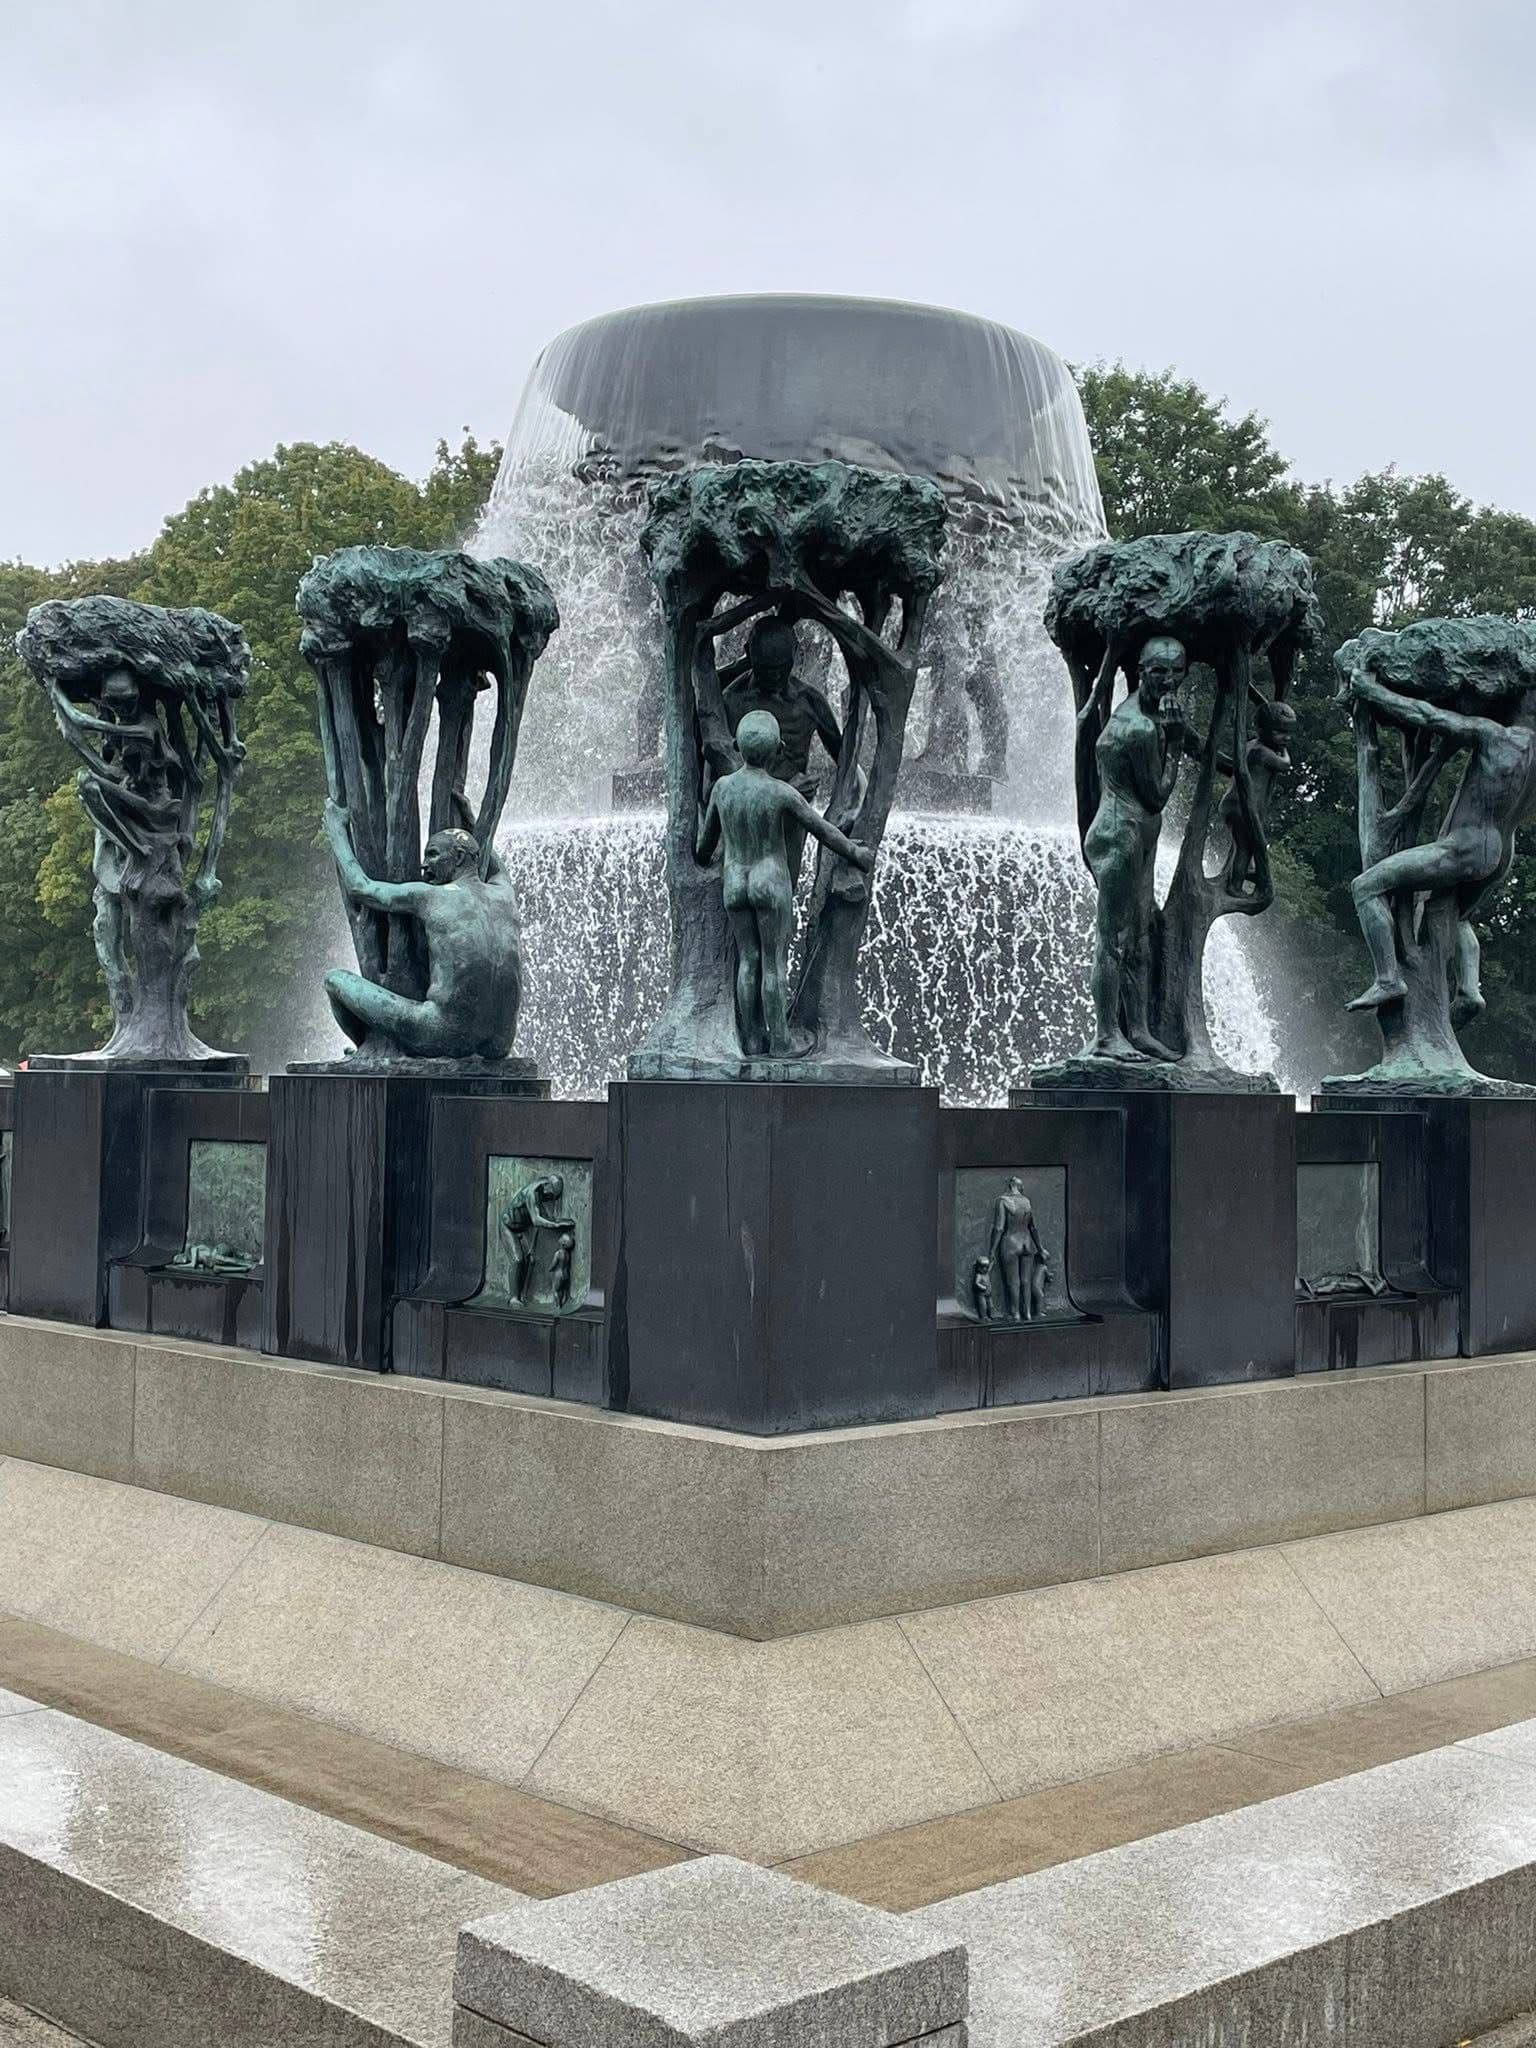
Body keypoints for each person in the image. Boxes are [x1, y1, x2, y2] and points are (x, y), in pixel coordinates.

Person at [1344, 673, 1536, 1015]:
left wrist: (1371, 690)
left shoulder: (1496, 735)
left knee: (1366, 886)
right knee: (1457, 916)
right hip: (1503, 849)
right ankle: (1468, 990)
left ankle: (1388, 978)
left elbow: (1428, 717)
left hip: (1467, 846)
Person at [696, 709, 874, 1059]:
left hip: (734, 883)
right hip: (769, 880)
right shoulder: (781, 792)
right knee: (773, 962)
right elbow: (822, 830)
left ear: (738, 745)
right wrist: (856, 852)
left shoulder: (722, 788)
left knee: (748, 959)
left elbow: (704, 848)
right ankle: (779, 1041)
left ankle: (750, 1041)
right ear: (777, 749)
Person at [322, 802, 523, 1059]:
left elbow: (360, 888)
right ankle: (375, 1047)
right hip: (500, 1041)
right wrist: (470, 820)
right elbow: (495, 866)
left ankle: (372, 1047)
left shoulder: (430, 896)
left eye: (433, 854)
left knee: (334, 980)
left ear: (459, 858)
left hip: (444, 1034)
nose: (424, 864)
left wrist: (337, 829)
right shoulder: (504, 894)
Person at [1079, 637, 1190, 1061]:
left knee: (1140, 938)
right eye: (1159, 671)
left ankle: (1139, 1030)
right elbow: (1158, 795)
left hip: (1138, 837)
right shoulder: (1140, 728)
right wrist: (1176, 743)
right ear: (1141, 671)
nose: (1168, 680)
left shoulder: (1150, 714)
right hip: (1118, 835)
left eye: (1176, 671)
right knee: (1113, 938)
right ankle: (1108, 1034)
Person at [721, 617, 845, 883]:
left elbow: (846, 761)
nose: (775, 676)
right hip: (743, 819)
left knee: (783, 891)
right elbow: (719, 776)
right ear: (749, 655)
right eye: (766, 668)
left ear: (795, 655)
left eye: (782, 667)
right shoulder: (732, 701)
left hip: (790, 818)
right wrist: (783, 791)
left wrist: (849, 807)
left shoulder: (810, 702)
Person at [1220, 696, 1297, 894]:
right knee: (1245, 848)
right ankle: (1235, 886)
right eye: (1280, 732)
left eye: (1288, 733)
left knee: (1246, 845)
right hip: (1243, 807)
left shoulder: (1249, 745)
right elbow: (1285, 765)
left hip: (1233, 804)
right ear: (1261, 730)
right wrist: (1284, 751)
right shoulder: (1262, 752)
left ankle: (1249, 870)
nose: (1285, 738)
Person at [500, 1174, 574, 1305]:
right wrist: (557, 1224)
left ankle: (524, 1294)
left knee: (530, 1259)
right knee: (517, 1260)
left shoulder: (541, 1191)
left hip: (524, 1226)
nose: (551, 1198)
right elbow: (537, 1220)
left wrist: (557, 1221)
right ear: (547, 1186)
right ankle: (514, 1298)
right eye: (552, 1194)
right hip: (509, 1226)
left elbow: (540, 1218)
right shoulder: (532, 1193)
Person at [986, 1176, 1052, 1323]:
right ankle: (1027, 1313)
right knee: (1026, 1281)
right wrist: (1040, 1248)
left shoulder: (1002, 1201)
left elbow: (998, 1227)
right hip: (1027, 1243)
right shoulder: (1027, 1202)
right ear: (1020, 1187)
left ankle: (1015, 1314)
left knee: (1013, 1281)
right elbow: (1033, 1227)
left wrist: (991, 1251)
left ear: (1009, 1185)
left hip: (1010, 1243)